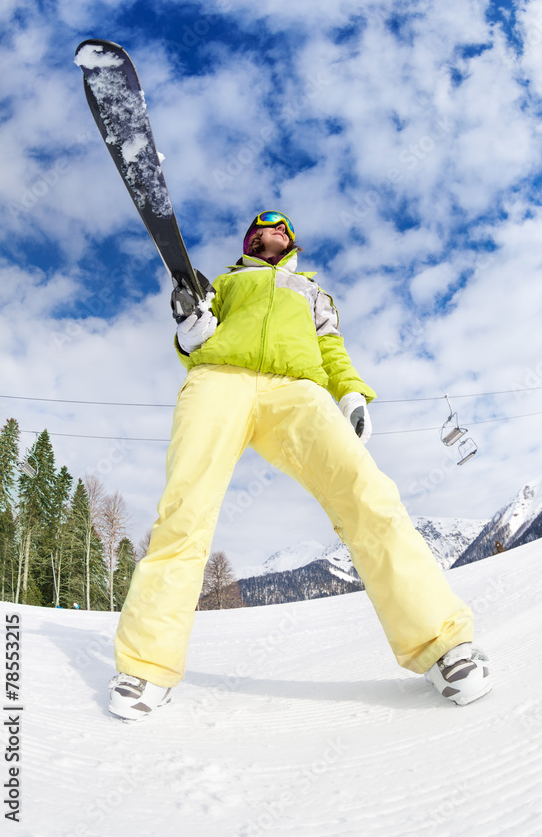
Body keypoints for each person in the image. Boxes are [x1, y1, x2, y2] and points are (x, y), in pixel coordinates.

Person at [108, 211, 490, 720]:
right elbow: (192, 338)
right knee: (185, 509)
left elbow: (331, 347)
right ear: (249, 241)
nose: (274, 231)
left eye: (282, 228)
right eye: (264, 228)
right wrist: (190, 329)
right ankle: (146, 665)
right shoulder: (223, 284)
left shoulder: (312, 292)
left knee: (367, 496)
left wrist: (351, 392)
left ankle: (443, 645)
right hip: (220, 378)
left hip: (297, 390)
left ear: (292, 242)